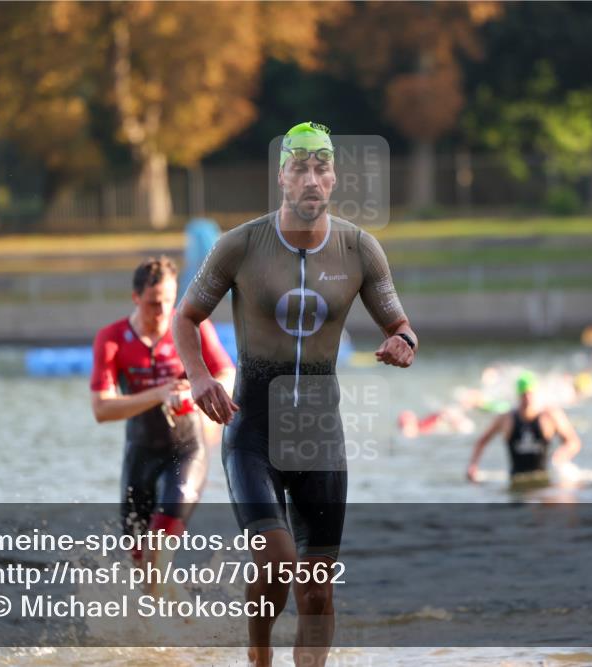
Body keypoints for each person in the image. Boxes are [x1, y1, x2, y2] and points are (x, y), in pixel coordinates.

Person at [173, 121, 417, 667]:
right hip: (253, 429)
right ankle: (259, 659)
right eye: (300, 167)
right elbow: (185, 318)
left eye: (321, 167)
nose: (311, 178)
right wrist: (200, 376)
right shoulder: (239, 245)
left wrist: (402, 343)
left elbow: (401, 326)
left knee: (317, 589)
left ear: (333, 178)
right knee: (277, 560)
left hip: (320, 438)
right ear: (282, 176)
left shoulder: (360, 249)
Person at [90, 256, 235, 577]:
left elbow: (227, 373)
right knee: (141, 565)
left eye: (169, 302)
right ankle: (177, 618)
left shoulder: (188, 328)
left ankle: (156, 626)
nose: (162, 313)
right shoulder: (112, 339)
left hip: (186, 450)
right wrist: (158, 394)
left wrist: (198, 386)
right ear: (136, 298)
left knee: (159, 548)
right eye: (154, 303)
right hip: (140, 452)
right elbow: (101, 409)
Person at [466, 371, 581, 488]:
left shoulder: (550, 416)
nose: (527, 398)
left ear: (536, 393)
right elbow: (482, 441)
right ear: (518, 395)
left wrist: (561, 455)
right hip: (516, 481)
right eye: (524, 394)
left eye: (530, 394)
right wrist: (473, 465)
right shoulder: (506, 419)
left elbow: (573, 442)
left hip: (544, 481)